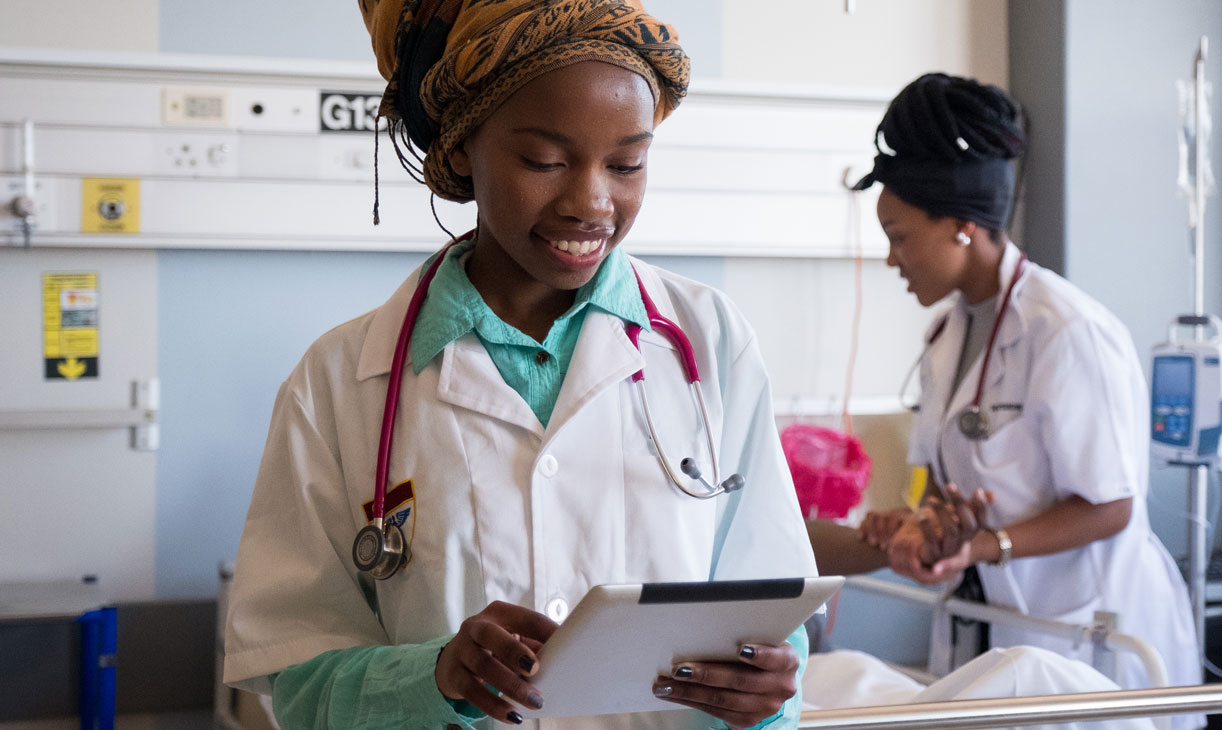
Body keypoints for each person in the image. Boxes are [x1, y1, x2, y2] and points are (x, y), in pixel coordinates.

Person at [222, 2, 816, 729]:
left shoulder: (712, 344)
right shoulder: (339, 383)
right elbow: (297, 678)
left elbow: (773, 608)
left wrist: (766, 691)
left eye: (627, 163)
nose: (592, 201)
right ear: (464, 146)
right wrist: (433, 676)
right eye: (545, 161)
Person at [850, 73, 1202, 728]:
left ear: (959, 225)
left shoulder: (1069, 332)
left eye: (900, 236)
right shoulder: (947, 335)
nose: (892, 258)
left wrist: (986, 547)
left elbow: (1111, 505)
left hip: (1093, 629)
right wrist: (915, 521)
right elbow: (935, 475)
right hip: (995, 622)